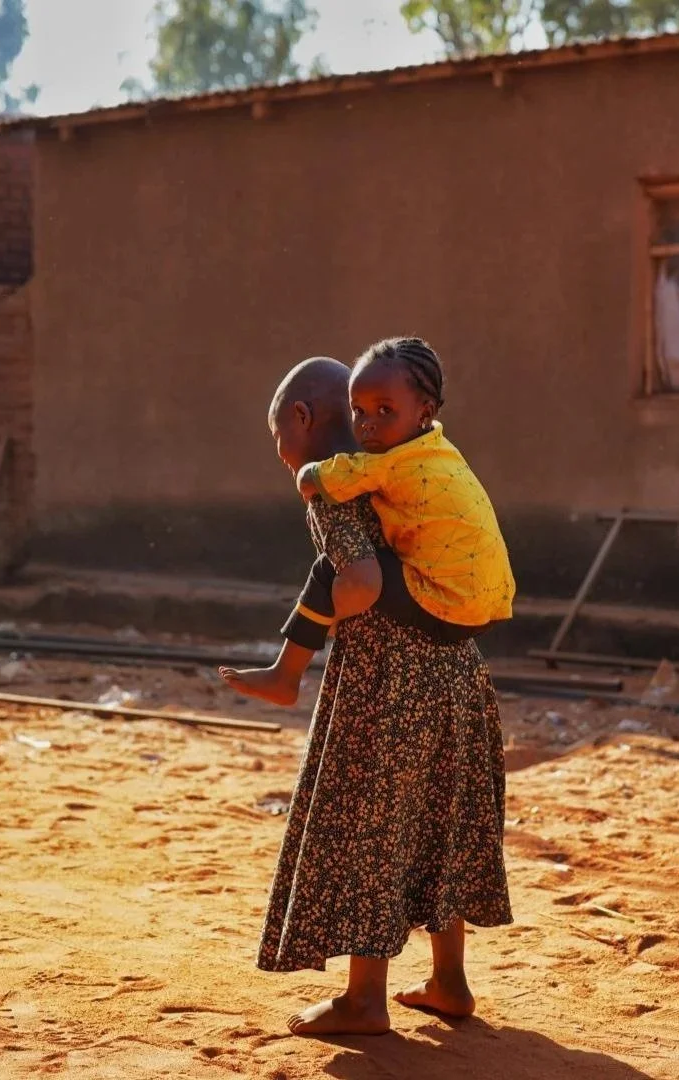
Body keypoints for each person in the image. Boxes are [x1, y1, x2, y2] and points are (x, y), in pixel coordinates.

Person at [249, 356, 512, 1036]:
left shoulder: (335, 490)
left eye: (277, 433)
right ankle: (449, 982)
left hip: (388, 682)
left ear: (302, 421)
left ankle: (364, 998)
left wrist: (328, 625)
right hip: (457, 671)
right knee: (439, 824)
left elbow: (356, 576)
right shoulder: (412, 467)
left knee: (374, 828)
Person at [219, 337, 515, 706]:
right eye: (359, 412)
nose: (368, 425)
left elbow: (363, 578)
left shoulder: (369, 474)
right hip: (480, 618)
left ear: (302, 416)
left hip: (412, 653)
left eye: (384, 411)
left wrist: (332, 614)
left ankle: (286, 674)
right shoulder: (439, 452)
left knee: (329, 572)